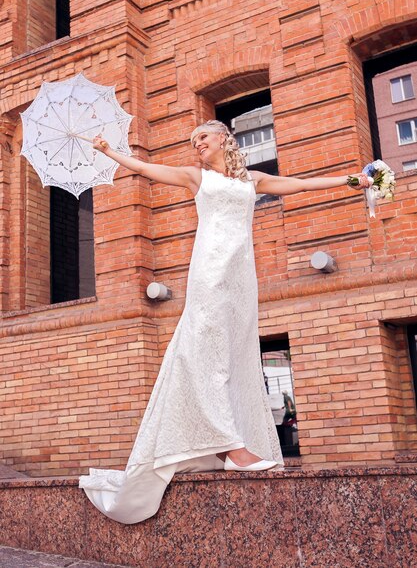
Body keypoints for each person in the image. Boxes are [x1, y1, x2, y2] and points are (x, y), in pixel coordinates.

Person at [79, 120, 370, 523]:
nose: (196, 143)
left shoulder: (253, 180)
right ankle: (233, 448)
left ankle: (223, 444)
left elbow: (300, 184)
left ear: (224, 139)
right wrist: (108, 151)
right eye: (192, 139)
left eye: (203, 136)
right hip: (210, 273)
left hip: (241, 278)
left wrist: (349, 180)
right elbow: (146, 170)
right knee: (210, 354)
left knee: (235, 357)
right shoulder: (195, 178)